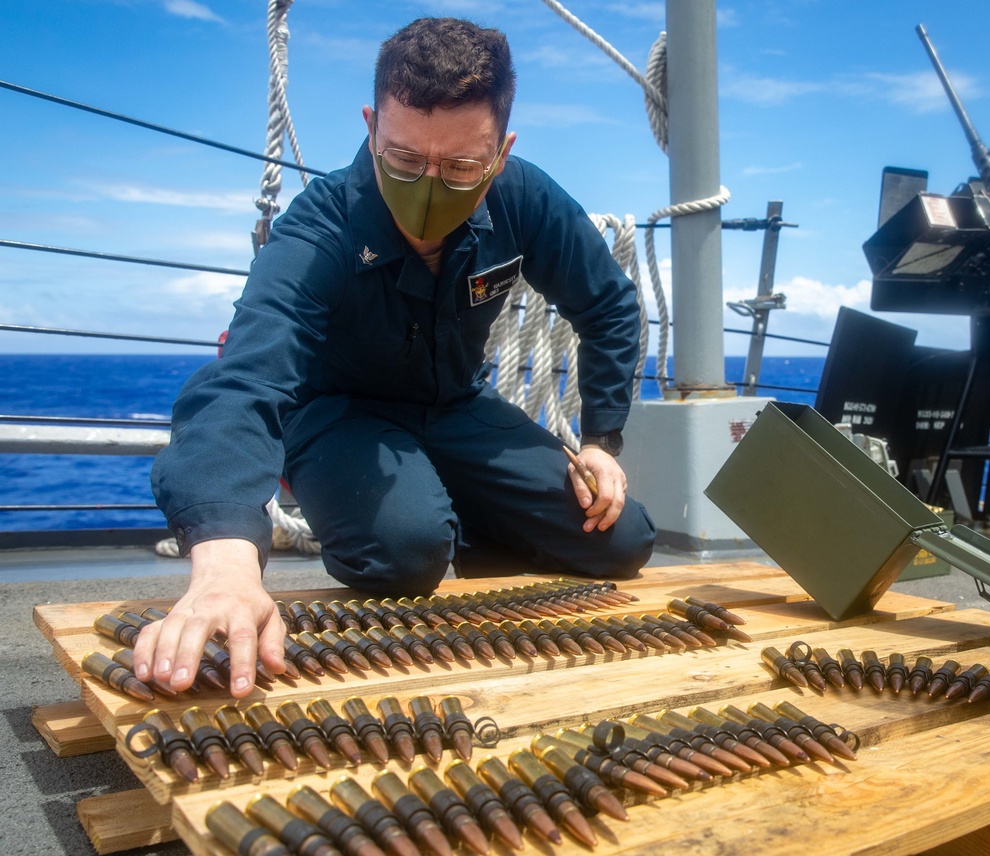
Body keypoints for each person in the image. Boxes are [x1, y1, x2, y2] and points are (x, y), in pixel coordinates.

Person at [134, 17, 656, 698]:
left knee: (623, 541)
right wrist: (228, 563)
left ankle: (454, 514)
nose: (428, 189)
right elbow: (240, 381)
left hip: (457, 406)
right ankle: (429, 517)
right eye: (405, 161)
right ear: (371, 126)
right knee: (405, 554)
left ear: (501, 152)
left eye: (462, 166)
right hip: (339, 413)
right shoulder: (321, 229)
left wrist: (602, 440)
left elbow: (610, 305)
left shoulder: (524, 197)